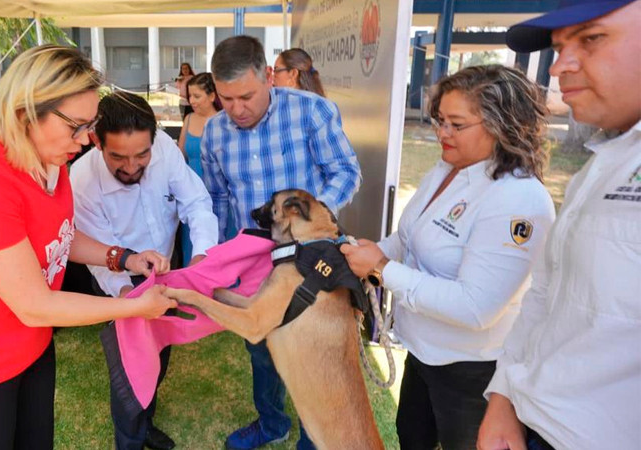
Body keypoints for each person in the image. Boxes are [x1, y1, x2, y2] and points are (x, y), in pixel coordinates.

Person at [0, 45, 177, 450]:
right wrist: (134, 306)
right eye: (77, 126)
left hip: (29, 352)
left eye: (91, 124)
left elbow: (60, 236)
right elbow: (34, 304)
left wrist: (122, 257)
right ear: (26, 111)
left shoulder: (51, 158)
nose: (86, 140)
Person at [340, 65, 555, 450]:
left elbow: (476, 308)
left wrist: (382, 269)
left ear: (501, 125)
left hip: (471, 373)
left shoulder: (519, 200)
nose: (442, 133)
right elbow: (407, 238)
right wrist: (370, 254)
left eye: (457, 124)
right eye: (440, 121)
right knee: (413, 438)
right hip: (423, 354)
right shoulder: (448, 169)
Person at [477, 1, 641, 449]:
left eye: (592, 38)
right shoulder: (603, 162)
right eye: (558, 46)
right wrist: (505, 397)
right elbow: (547, 297)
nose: (558, 67)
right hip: (537, 422)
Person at [202, 35, 361, 450]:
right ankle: (272, 422)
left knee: (317, 358)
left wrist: (310, 222)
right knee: (261, 348)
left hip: (313, 266)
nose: (236, 109)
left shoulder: (313, 112)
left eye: (247, 97)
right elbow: (218, 197)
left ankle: (312, 438)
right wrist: (223, 257)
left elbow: (345, 171)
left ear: (269, 77)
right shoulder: (215, 132)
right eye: (225, 98)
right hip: (253, 264)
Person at [69, 91, 218, 450]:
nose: (133, 166)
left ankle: (145, 422)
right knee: (128, 371)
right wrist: (128, 298)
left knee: (160, 352)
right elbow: (96, 252)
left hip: (165, 266)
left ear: (154, 140)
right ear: (96, 141)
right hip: (118, 277)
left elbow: (196, 204)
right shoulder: (82, 180)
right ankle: (130, 441)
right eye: (118, 157)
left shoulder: (166, 149)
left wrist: (201, 256)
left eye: (142, 155)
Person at [177, 72, 222, 264]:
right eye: (190, 96)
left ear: (212, 96)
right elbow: (180, 155)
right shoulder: (188, 119)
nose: (192, 101)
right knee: (192, 242)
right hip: (191, 193)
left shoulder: (223, 121)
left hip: (219, 193)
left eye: (197, 96)